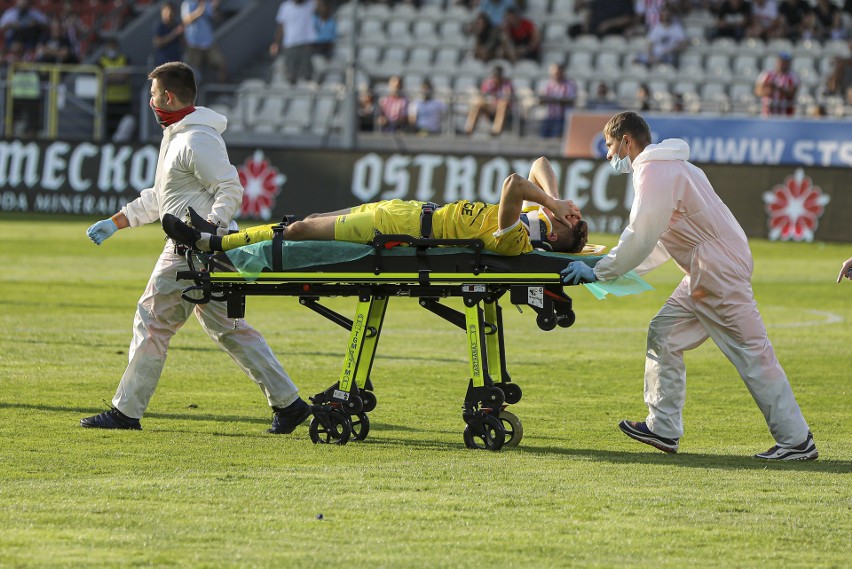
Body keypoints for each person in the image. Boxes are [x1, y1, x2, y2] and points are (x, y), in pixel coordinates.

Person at [560, 111, 818, 461]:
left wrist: (601, 271)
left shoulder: (653, 171)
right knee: (664, 334)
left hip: (715, 272)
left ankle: (796, 441)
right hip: (708, 269)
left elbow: (641, 235)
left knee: (753, 354)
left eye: (609, 146)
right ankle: (663, 429)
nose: (607, 155)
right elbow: (660, 240)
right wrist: (607, 269)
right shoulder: (674, 167)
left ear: (626, 142)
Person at [81, 61, 310, 434]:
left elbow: (230, 187)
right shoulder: (180, 135)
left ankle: (126, 411)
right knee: (231, 330)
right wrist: (117, 222)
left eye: (154, 95)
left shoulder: (195, 139)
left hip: (192, 249)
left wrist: (208, 233)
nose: (151, 101)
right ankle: (290, 404)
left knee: (152, 322)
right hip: (204, 250)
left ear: (168, 97)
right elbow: (161, 198)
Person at [162, 157, 589, 257]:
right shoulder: (532, 223)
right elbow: (540, 165)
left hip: (397, 229)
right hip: (402, 212)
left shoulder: (514, 237)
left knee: (299, 230)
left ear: (552, 233)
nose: (561, 213)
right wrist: (558, 203)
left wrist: (552, 203)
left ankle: (212, 243)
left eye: (566, 221)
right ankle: (218, 236)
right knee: (308, 221)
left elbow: (516, 182)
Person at [270, 0, 317, 84]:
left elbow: (323, 8)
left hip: (306, 44)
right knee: (291, 75)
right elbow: (281, 26)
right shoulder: (285, 6)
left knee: (307, 75)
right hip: (290, 45)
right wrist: (276, 43)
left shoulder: (311, 4)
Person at [181, 0, 228, 83]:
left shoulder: (208, 4)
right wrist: (199, 11)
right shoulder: (188, 3)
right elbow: (186, 20)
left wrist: (215, 9)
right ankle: (195, 94)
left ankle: (221, 92)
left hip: (209, 43)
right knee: (191, 71)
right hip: (194, 44)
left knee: (221, 64)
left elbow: (216, 19)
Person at [98, 39, 134, 141]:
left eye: (113, 46)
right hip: (108, 100)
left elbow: (126, 76)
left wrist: (110, 77)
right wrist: (118, 77)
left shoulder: (124, 59)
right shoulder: (101, 61)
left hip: (124, 99)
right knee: (109, 127)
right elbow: (101, 77)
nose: (111, 49)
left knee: (127, 123)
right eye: (109, 46)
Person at [464, 64, 514, 135]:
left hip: (502, 108)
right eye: (495, 76)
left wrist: (497, 101)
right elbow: (484, 95)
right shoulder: (489, 83)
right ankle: (469, 128)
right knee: (478, 102)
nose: (496, 78)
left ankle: (496, 130)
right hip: (489, 107)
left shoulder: (507, 84)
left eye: (498, 76)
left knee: (503, 103)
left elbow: (508, 97)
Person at [754, 51, 799, 117]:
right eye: (781, 61)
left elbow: (792, 93)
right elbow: (758, 91)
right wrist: (769, 89)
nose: (782, 64)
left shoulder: (793, 77)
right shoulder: (766, 74)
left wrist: (777, 88)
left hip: (785, 115)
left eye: (785, 62)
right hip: (767, 114)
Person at [537, 63, 576, 138]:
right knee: (543, 138)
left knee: (556, 139)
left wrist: (554, 99)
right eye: (553, 72)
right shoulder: (548, 84)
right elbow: (542, 100)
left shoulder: (569, 84)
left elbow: (571, 100)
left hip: (562, 118)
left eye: (557, 72)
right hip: (549, 117)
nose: (555, 74)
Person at [153, 1, 184, 67]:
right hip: (163, 63)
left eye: (171, 12)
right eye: (167, 12)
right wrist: (174, 34)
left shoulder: (177, 25)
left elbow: (184, 43)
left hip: (176, 62)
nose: (169, 14)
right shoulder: (159, 26)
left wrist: (181, 34)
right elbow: (158, 43)